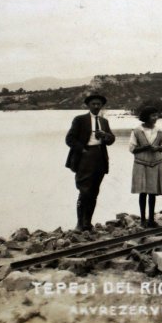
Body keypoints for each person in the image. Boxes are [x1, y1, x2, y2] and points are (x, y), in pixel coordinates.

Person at [65, 92, 116, 231]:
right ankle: (79, 224)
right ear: (88, 105)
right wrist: (82, 151)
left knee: (94, 191)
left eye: (99, 104)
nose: (96, 106)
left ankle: (88, 223)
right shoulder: (79, 119)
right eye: (93, 104)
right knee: (84, 191)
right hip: (85, 157)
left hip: (100, 157)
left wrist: (105, 135)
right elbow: (69, 139)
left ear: (102, 106)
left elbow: (111, 140)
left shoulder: (104, 122)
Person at [128, 106, 162, 228]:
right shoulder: (136, 131)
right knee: (143, 192)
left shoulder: (160, 130)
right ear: (146, 117)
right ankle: (143, 219)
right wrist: (145, 147)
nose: (156, 118)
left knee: (152, 192)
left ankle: (151, 219)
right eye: (153, 116)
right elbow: (132, 148)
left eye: (156, 115)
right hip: (141, 163)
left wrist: (158, 148)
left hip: (156, 163)